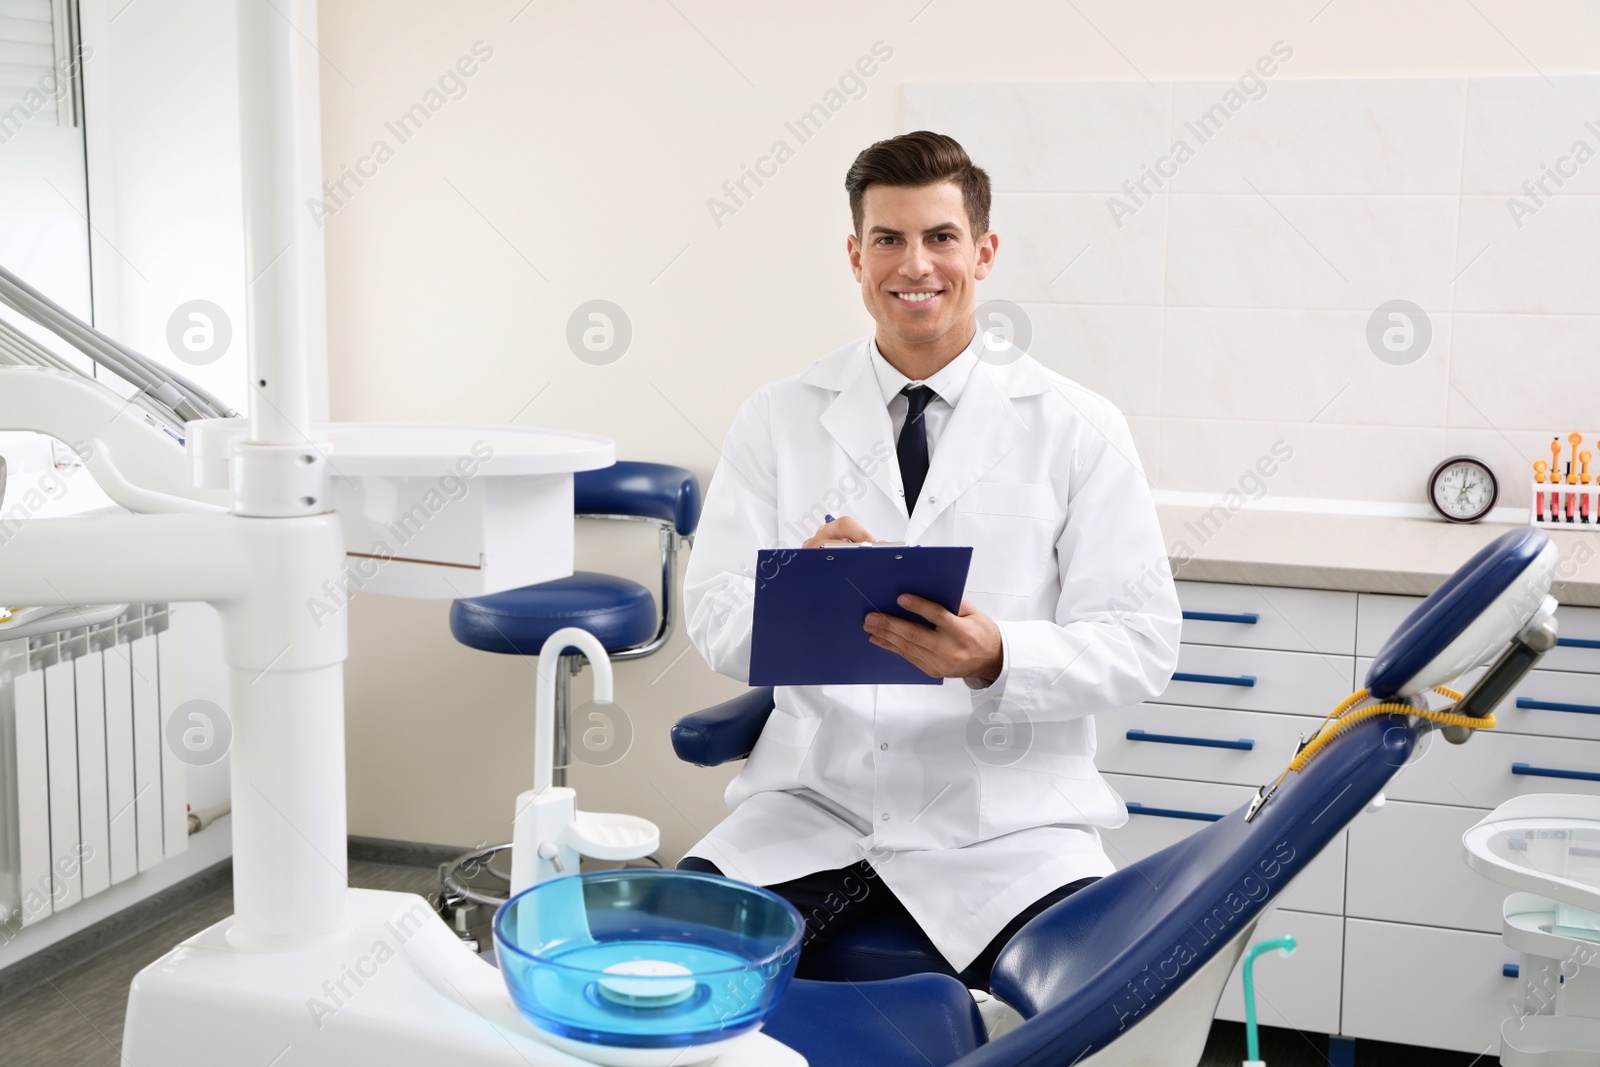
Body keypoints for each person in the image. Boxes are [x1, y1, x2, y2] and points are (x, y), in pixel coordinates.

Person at [677, 130, 1180, 989]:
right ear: (855, 254)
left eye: (941, 237)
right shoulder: (778, 417)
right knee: (671, 981)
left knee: (1091, 1011)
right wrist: (794, 593)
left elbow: (1143, 641)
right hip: (814, 809)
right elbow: (716, 619)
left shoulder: (1076, 425)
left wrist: (998, 657)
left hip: (1008, 832)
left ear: (982, 253)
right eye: (889, 239)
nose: (916, 264)